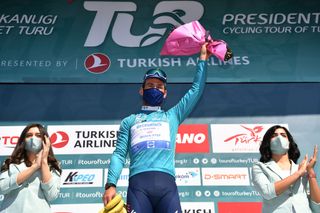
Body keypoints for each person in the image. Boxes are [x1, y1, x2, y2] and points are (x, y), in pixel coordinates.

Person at [102, 43, 211, 213]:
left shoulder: (172, 116)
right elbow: (119, 154)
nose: (154, 89)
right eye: (150, 85)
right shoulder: (129, 121)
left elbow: (196, 90)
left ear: (165, 93)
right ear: (141, 90)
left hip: (167, 188)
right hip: (138, 188)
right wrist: (110, 184)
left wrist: (203, 59)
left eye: (159, 87)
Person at [252, 125, 320, 213]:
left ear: (289, 142)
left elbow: (316, 205)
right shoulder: (260, 167)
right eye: (274, 135)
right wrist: (298, 174)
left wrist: (311, 172)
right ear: (267, 142)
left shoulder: (301, 169)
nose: (279, 137)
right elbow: (267, 192)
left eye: (283, 135)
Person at [0, 123, 61, 213]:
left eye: (38, 135)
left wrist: (43, 161)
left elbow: (51, 195)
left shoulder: (53, 165)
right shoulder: (10, 162)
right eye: (29, 135)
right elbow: (2, 188)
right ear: (23, 141)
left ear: (45, 140)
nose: (33, 138)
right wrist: (35, 166)